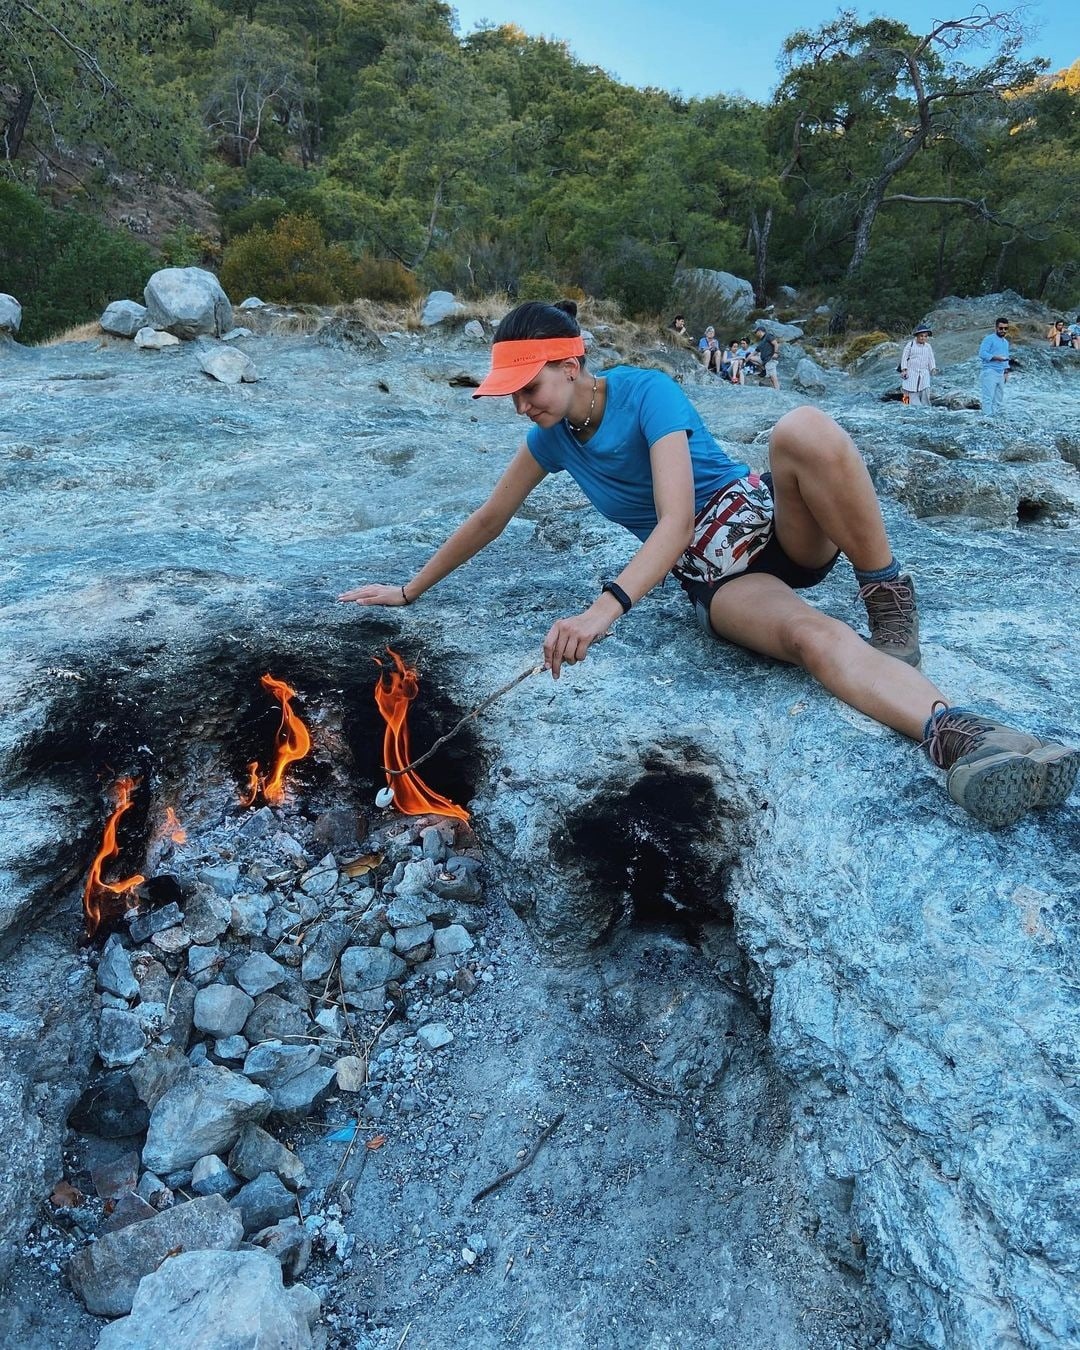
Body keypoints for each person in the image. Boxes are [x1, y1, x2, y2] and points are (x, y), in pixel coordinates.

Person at [340, 300, 1077, 827]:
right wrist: (409, 590)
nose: (521, 407)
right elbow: (489, 517)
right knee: (814, 639)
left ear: (571, 364)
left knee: (803, 427)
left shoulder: (644, 392)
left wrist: (604, 609)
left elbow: (676, 515)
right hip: (723, 582)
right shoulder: (553, 441)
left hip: (773, 528)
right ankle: (967, 741)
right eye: (511, 394)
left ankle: (887, 597)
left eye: (528, 388)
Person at [978, 316, 1010, 418]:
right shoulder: (989, 339)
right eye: (1001, 328)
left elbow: (1006, 357)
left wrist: (1006, 372)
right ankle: (987, 418)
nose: (1003, 330)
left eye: (1005, 328)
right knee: (988, 397)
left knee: (999, 398)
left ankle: (996, 417)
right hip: (989, 371)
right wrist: (995, 358)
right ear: (996, 328)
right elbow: (982, 353)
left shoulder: (1005, 342)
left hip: (1001, 373)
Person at [899, 324, 938, 407]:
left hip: (924, 372)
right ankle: (905, 406)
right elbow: (904, 357)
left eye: (925, 336)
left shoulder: (928, 347)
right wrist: (904, 369)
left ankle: (926, 408)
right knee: (908, 391)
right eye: (921, 336)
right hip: (911, 372)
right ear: (917, 336)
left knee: (925, 390)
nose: (923, 338)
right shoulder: (910, 345)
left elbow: (931, 358)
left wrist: (933, 368)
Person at [748, 325, 780, 390]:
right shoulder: (761, 341)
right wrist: (746, 360)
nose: (755, 334)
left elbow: (776, 344)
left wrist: (776, 353)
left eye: (756, 332)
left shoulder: (768, 336)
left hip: (770, 360)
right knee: (751, 358)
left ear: (760, 331)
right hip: (763, 361)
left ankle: (778, 391)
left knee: (773, 377)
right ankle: (763, 369)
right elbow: (755, 352)